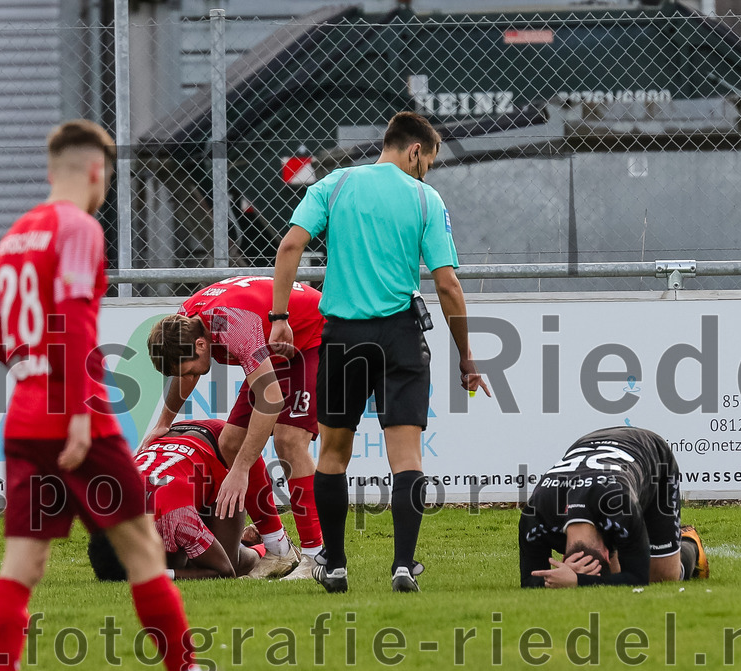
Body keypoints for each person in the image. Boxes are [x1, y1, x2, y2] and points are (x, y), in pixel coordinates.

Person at [0, 119, 253, 671]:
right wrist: (75, 411)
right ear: (97, 172)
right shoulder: (80, 228)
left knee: (23, 564)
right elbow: (75, 321)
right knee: (143, 549)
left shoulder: (15, 236)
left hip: (24, 412)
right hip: (78, 417)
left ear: (51, 170)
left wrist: (39, 390)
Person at [270, 110, 492, 594]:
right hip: (399, 337)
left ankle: (336, 563)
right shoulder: (424, 198)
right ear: (415, 151)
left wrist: (279, 317)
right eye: (427, 163)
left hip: (344, 336)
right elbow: (448, 284)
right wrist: (466, 355)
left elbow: (289, 247)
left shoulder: (335, 184)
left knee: (331, 453)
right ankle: (402, 565)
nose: (426, 172)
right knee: (406, 454)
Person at [146, 276, 324, 579]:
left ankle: (316, 555)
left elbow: (271, 399)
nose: (188, 376)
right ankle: (278, 548)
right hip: (275, 347)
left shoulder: (232, 326)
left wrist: (241, 470)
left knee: (289, 441)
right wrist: (163, 423)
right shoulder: (185, 324)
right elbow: (186, 374)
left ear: (201, 345)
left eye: (189, 368)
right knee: (230, 442)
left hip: (314, 337)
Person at [88, 419, 284, 581]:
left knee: (222, 561)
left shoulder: (175, 516)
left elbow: (224, 570)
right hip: (175, 445)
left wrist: (161, 574)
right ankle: (242, 539)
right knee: (179, 559)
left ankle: (268, 548)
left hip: (221, 448)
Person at [519, 426, 710, 588]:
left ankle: (689, 543)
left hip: (652, 457)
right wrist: (558, 579)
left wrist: (577, 580)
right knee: (620, 569)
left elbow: (638, 577)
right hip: (587, 446)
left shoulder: (620, 505)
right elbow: (529, 580)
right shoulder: (536, 514)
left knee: (663, 577)